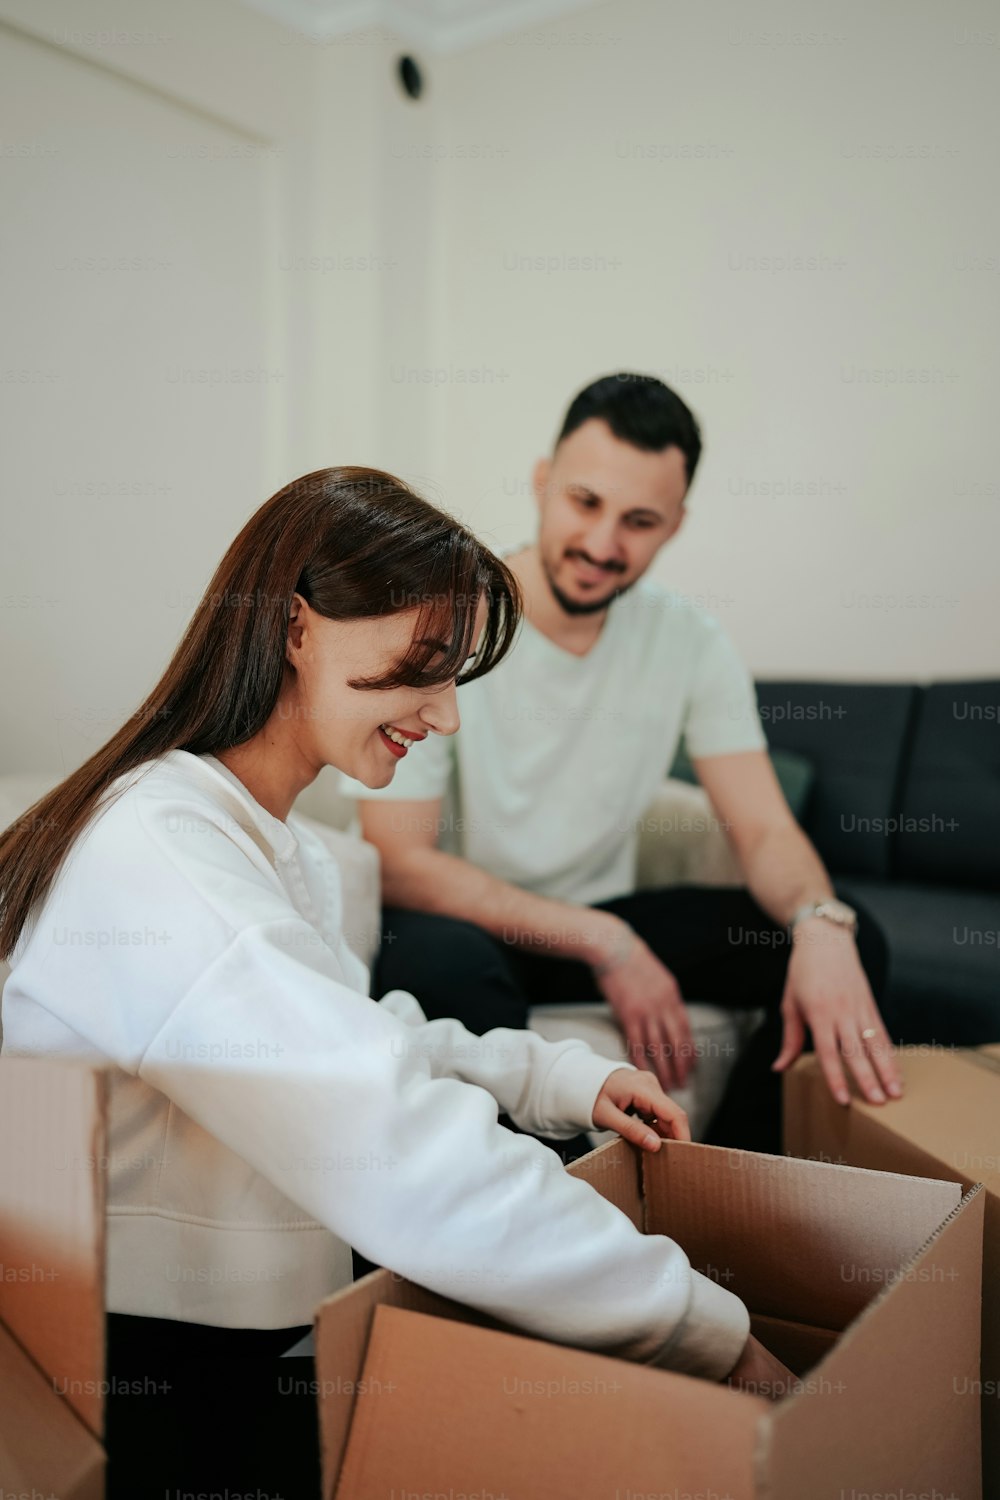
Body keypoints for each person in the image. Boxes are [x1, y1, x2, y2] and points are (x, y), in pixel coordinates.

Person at [0, 467, 792, 1498]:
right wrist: (703, 1331)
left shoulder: (277, 849)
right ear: (295, 628)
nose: (447, 715)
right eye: (422, 666)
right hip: (127, 1367)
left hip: (234, 1334)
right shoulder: (162, 850)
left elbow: (359, 1037)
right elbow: (385, 1136)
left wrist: (547, 1077)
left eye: (454, 673)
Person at [345, 377, 904, 1156]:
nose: (604, 544)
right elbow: (400, 863)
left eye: (639, 522)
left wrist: (818, 922)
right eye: (585, 503)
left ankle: (732, 1187)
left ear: (675, 525)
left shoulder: (690, 642)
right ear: (543, 483)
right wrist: (605, 942)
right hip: (467, 927)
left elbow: (765, 828)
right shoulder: (453, 619)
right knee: (443, 965)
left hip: (600, 915)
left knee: (850, 939)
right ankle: (545, 1205)